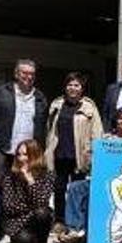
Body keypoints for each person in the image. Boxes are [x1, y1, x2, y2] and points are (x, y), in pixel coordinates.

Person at [59, 107, 122, 243]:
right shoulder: (106, 139)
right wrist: (90, 157)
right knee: (76, 187)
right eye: (121, 118)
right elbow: (93, 161)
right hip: (99, 181)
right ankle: (75, 229)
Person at [46, 72, 104, 228]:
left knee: (77, 190)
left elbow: (97, 132)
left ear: (82, 88)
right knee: (58, 188)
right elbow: (50, 129)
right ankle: (59, 220)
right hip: (60, 153)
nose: (73, 88)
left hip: (80, 155)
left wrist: (94, 154)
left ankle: (76, 223)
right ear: (65, 87)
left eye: (76, 85)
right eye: (70, 85)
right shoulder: (56, 105)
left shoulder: (89, 107)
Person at [0, 59, 48, 161]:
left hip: (28, 154)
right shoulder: (0, 92)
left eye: (32, 74)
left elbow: (43, 124)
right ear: (16, 74)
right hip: (2, 151)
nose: (28, 77)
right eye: (24, 73)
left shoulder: (40, 98)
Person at [1, 139, 55, 243]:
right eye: (19, 154)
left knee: (43, 213)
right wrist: (31, 208)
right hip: (17, 220)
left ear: (34, 155)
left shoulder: (47, 176)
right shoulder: (10, 177)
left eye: (25, 154)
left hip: (36, 219)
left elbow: (42, 202)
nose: (21, 158)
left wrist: (30, 180)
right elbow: (9, 206)